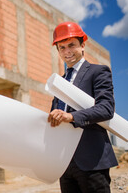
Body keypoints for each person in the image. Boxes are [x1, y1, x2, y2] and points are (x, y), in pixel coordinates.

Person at [48, 21, 118, 193]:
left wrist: (71, 117)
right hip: (65, 163)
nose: (67, 52)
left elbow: (106, 108)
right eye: (62, 47)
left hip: (91, 160)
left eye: (71, 45)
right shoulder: (59, 82)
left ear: (82, 45)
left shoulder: (98, 72)